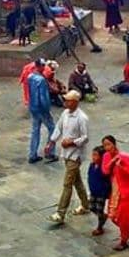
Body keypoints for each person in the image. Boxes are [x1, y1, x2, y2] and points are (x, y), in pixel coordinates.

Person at [47, 90, 90, 224]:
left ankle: (61, 212)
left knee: (67, 184)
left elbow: (85, 137)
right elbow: (58, 128)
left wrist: (71, 142)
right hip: (66, 154)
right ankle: (85, 204)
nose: (65, 102)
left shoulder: (82, 118)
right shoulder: (65, 113)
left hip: (75, 155)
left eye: (68, 100)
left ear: (75, 102)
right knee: (77, 181)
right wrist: (52, 141)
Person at [27, 63, 57, 164]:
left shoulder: (30, 77)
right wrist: (47, 108)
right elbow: (43, 97)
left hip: (33, 107)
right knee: (52, 128)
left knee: (35, 130)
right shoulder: (41, 80)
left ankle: (32, 154)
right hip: (41, 108)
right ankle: (50, 152)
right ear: (40, 66)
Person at [87, 145, 112, 237]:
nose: (93, 157)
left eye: (96, 155)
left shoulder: (104, 168)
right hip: (93, 191)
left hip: (101, 193)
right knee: (91, 207)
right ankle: (103, 217)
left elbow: (107, 181)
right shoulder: (92, 165)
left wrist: (105, 192)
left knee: (99, 209)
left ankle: (100, 227)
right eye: (93, 155)